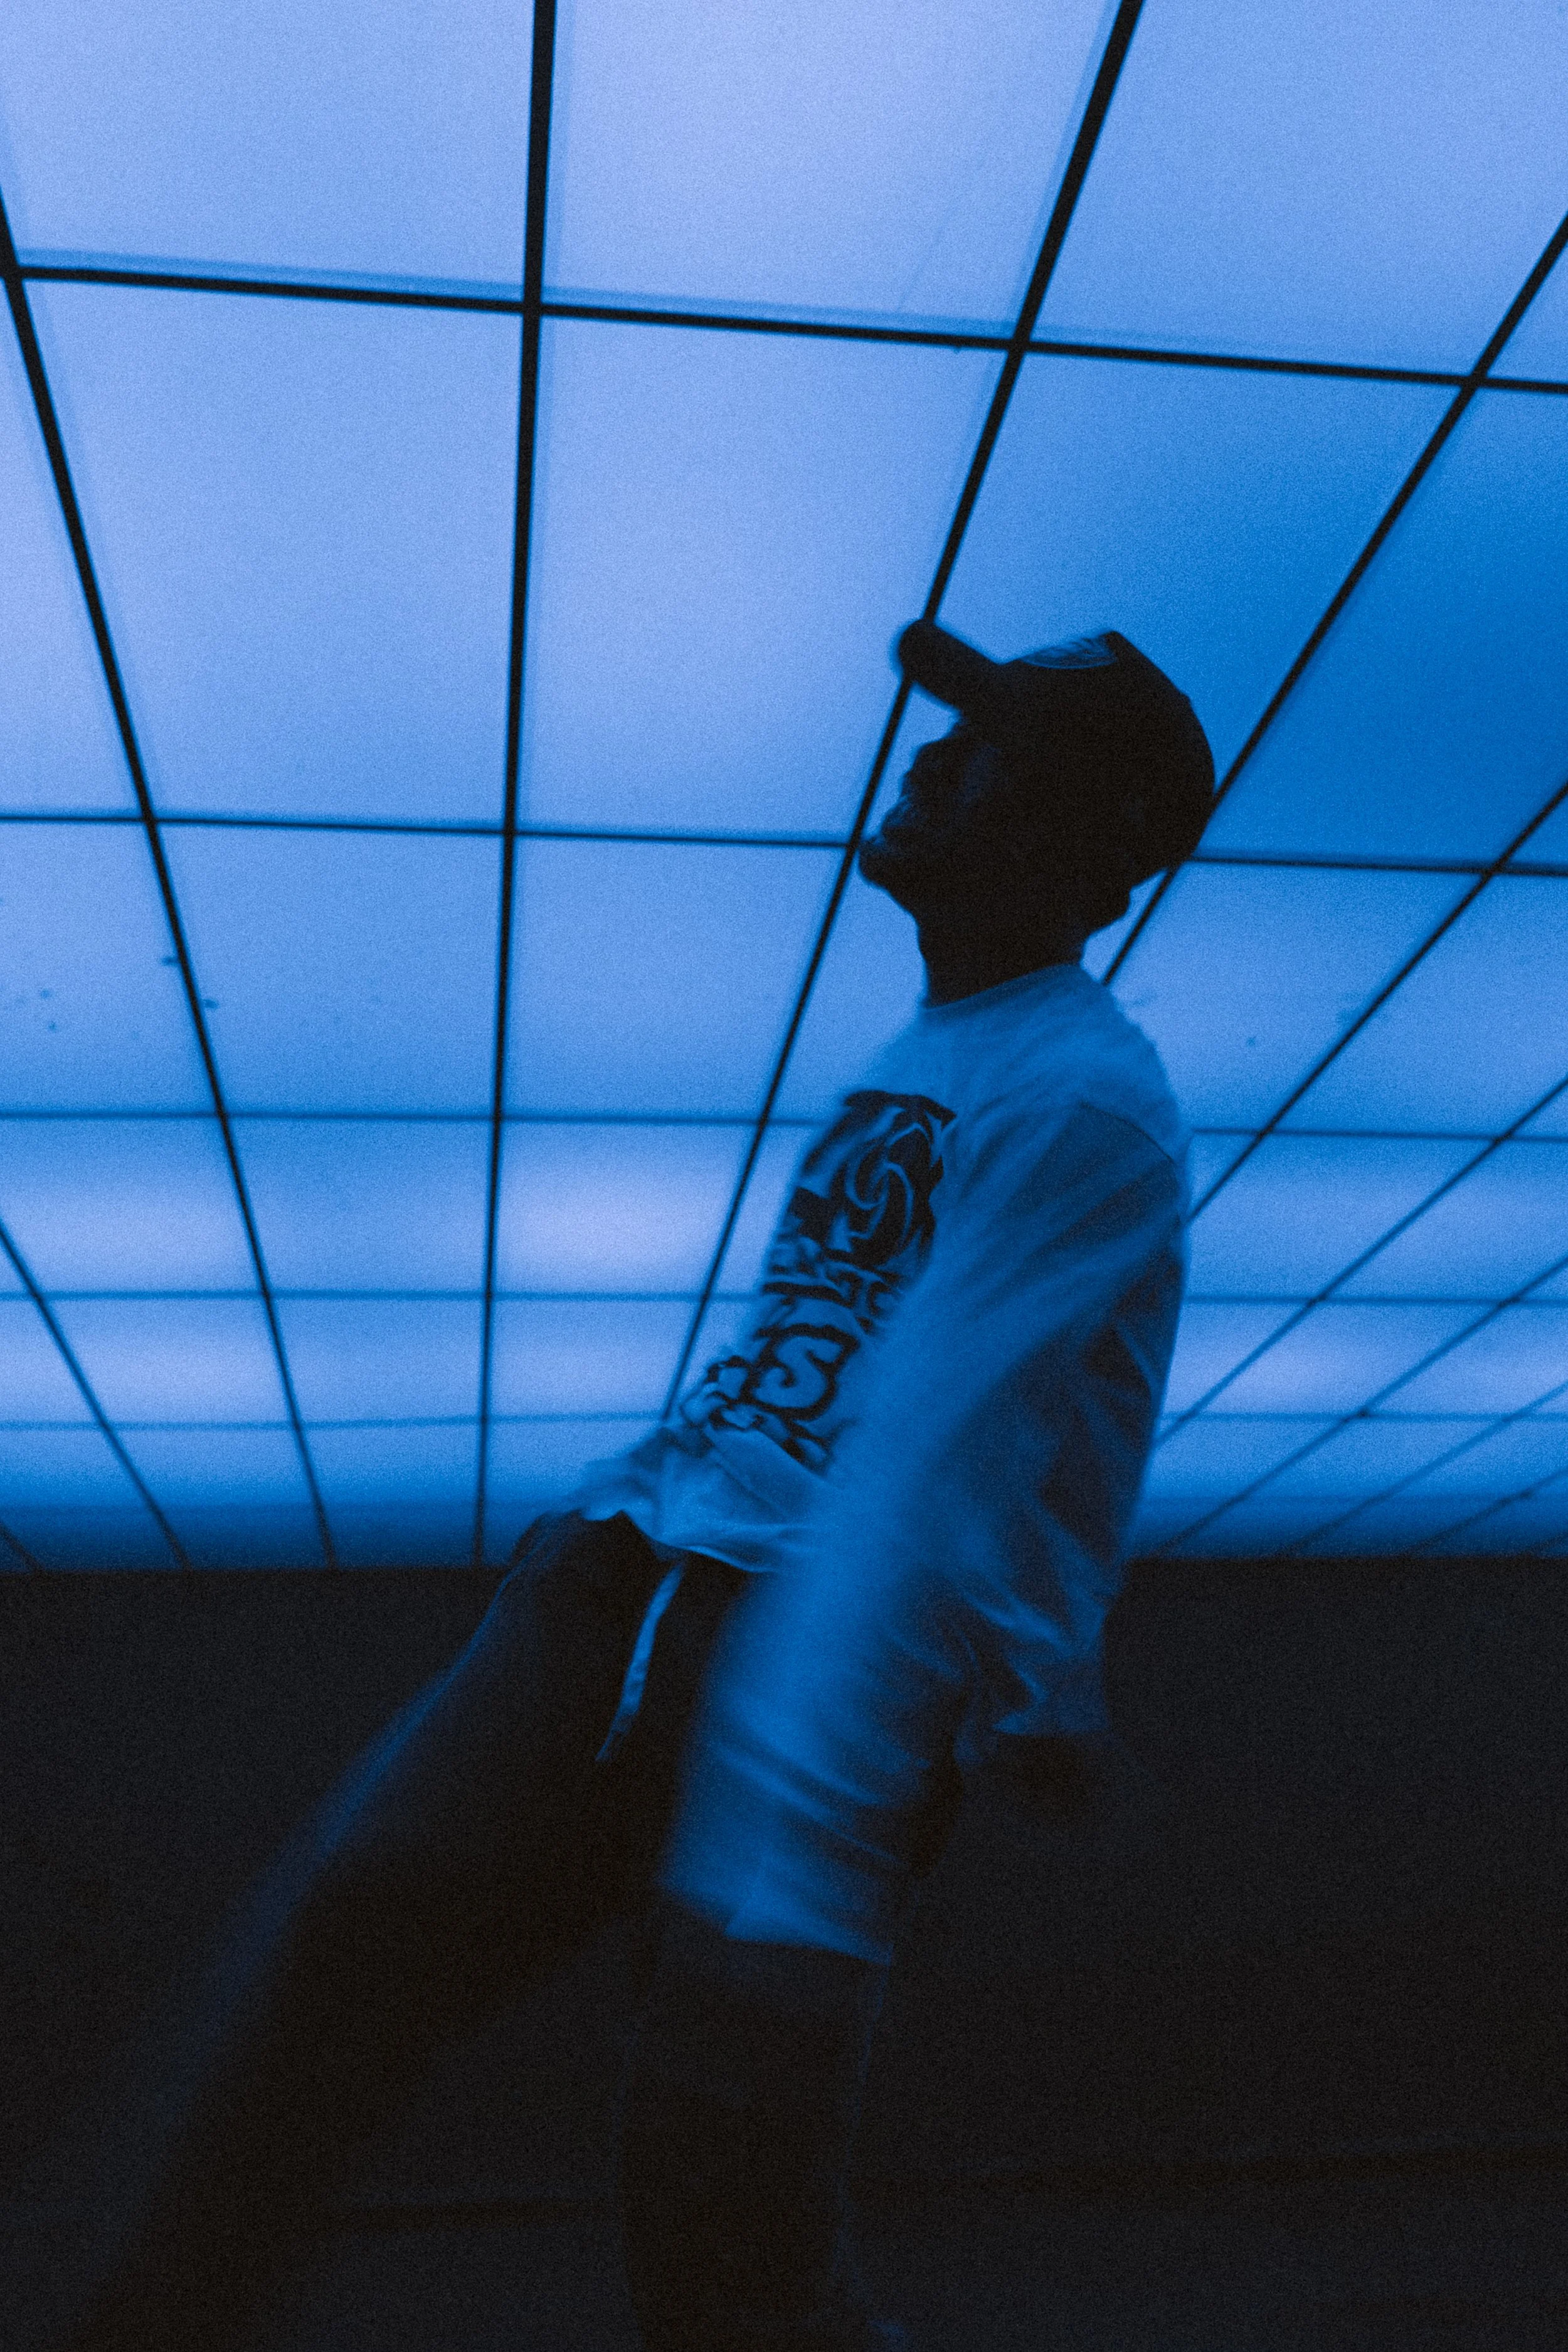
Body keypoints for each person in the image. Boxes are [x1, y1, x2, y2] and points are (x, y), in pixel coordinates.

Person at [36, 618, 1212, 2352]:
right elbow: (822, 1361)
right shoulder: (939, 1050)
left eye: (994, 749)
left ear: (1091, 840)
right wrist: (619, 1516)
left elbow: (931, 1479)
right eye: (950, 729)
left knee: (720, 2228)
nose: (932, 758)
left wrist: (799, 1860)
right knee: (338, 1978)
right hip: (640, 1570)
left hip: (792, 1645)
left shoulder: (1084, 1100)